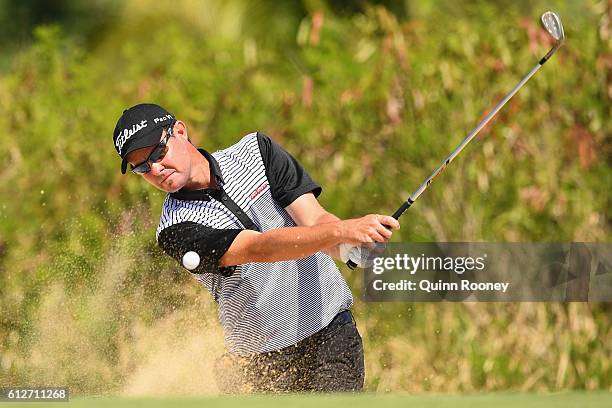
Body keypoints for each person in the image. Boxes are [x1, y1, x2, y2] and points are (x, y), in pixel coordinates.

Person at [112, 103, 399, 393]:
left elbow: (314, 220)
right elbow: (259, 248)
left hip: (331, 335)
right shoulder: (174, 229)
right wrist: (343, 230)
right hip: (263, 368)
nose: (156, 169)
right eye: (143, 168)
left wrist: (350, 246)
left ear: (181, 132)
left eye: (158, 154)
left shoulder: (256, 152)